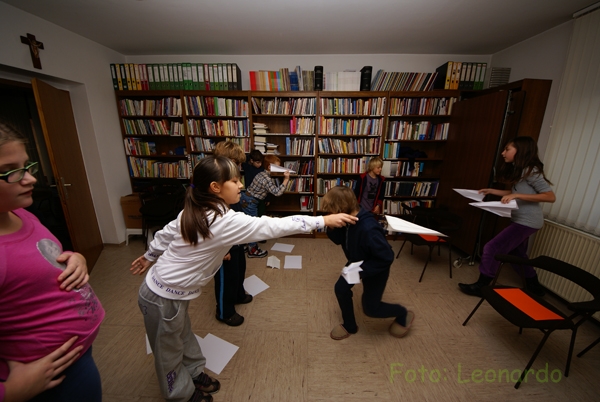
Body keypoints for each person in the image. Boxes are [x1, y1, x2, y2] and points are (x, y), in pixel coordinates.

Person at [130, 156, 357, 402]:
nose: (241, 185)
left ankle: (193, 372)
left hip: (172, 294)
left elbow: (166, 235)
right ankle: (180, 394)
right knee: (168, 351)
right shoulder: (222, 220)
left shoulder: (203, 208)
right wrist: (322, 220)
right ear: (215, 188)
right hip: (161, 297)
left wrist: (150, 256)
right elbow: (273, 226)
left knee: (183, 335)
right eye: (235, 181)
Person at [0, 122, 104, 402]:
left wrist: (75, 258)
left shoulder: (21, 214)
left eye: (27, 166)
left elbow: (42, 256)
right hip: (46, 378)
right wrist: (9, 392)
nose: (31, 179)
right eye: (10, 171)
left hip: (76, 356)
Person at [458, 136, 556, 297]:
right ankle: (535, 287)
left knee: (492, 248)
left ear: (520, 150)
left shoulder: (532, 172)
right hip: (520, 220)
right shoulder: (522, 170)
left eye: (507, 149)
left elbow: (550, 197)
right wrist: (492, 191)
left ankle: (482, 286)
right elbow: (517, 192)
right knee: (517, 255)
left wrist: (516, 196)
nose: (503, 153)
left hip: (527, 221)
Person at [322, 185, 414, 340]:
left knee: (371, 309)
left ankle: (402, 313)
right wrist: (331, 227)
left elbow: (386, 257)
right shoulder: (347, 218)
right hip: (356, 262)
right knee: (341, 289)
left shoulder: (368, 228)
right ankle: (350, 325)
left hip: (375, 268)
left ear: (341, 208)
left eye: (331, 211)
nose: (330, 215)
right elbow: (339, 240)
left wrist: (361, 271)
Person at [213, 141, 252, 327]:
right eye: (235, 163)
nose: (238, 167)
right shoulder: (214, 187)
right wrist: (222, 248)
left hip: (236, 239)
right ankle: (224, 311)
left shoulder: (232, 181)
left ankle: (238, 294)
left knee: (239, 270)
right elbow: (213, 225)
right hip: (223, 245)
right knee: (226, 278)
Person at [240, 154, 290, 258]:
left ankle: (245, 245)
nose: (279, 169)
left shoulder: (261, 173)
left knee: (247, 224)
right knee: (252, 226)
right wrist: (286, 180)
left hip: (247, 199)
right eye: (277, 167)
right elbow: (277, 192)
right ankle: (252, 250)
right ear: (269, 167)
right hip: (250, 202)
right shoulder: (266, 178)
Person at [242, 150, 269, 218]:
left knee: (261, 214)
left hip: (261, 196)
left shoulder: (263, 170)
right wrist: (252, 155)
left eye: (261, 162)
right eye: (257, 162)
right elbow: (243, 158)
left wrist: (267, 198)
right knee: (251, 215)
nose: (260, 164)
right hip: (249, 196)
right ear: (251, 161)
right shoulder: (247, 167)